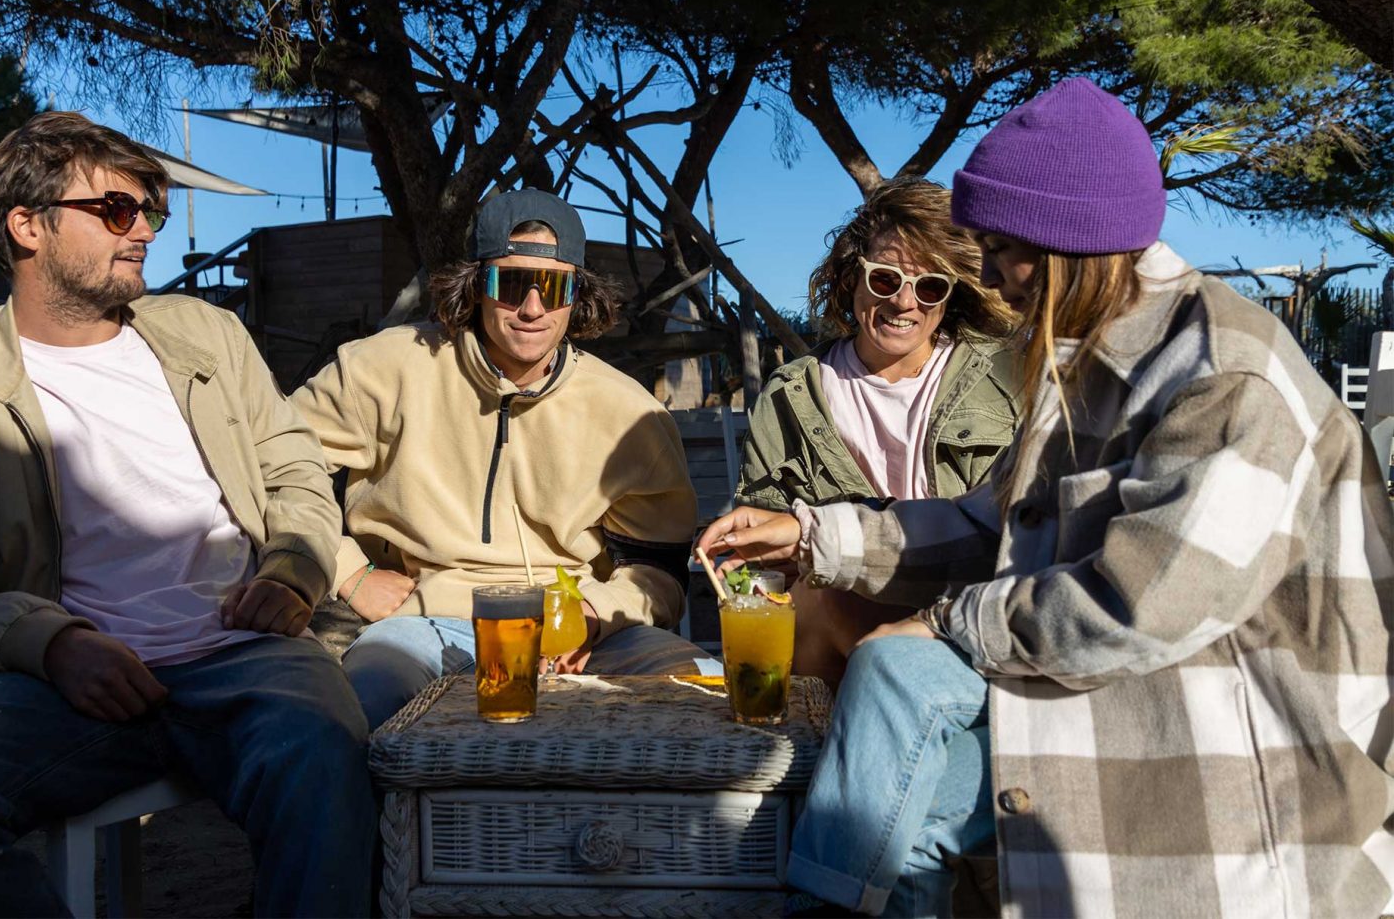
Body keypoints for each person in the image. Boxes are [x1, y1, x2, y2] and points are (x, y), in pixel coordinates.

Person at [700, 78, 1394, 917]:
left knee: (901, 673)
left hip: (1234, 776)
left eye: (998, 246)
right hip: (1108, 702)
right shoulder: (1083, 357)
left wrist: (948, 619)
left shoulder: (1223, 374)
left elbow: (1135, 609)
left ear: (1070, 240)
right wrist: (814, 536)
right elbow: (988, 525)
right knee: (904, 821)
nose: (985, 274)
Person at [0, 112, 375, 918]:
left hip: (244, 654)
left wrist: (295, 569)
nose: (141, 229)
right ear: (27, 225)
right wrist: (53, 643)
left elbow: (295, 469)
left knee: (329, 762)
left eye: (149, 211)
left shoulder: (204, 333)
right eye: (114, 210)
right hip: (59, 680)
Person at [291, 188, 707, 730]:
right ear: (476, 284)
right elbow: (272, 465)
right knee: (363, 702)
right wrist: (351, 573)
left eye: (554, 287)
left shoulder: (630, 415)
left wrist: (594, 614)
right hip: (427, 623)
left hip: (579, 635)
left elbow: (659, 572)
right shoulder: (380, 370)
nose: (532, 308)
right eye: (511, 284)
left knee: (706, 691)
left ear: (578, 295)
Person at [735, 177, 1017, 684]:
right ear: (852, 279)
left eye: (930, 286)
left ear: (949, 297)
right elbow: (763, 570)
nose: (905, 303)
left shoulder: (1005, 379)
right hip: (832, 635)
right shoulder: (790, 395)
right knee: (828, 593)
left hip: (967, 623)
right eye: (886, 279)